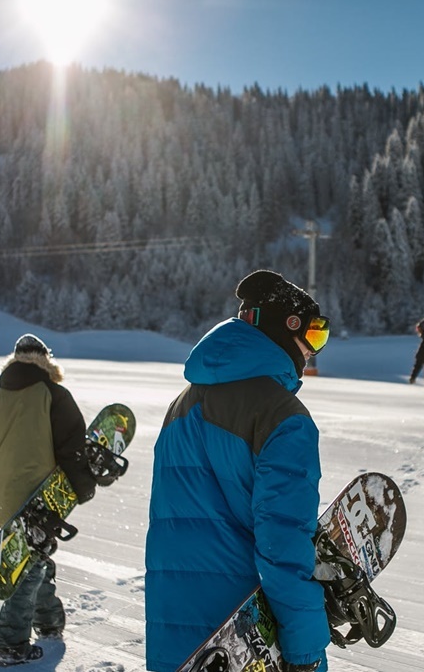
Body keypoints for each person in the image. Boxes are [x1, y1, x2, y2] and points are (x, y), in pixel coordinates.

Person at [145, 270, 331, 672]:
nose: (313, 351)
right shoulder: (284, 416)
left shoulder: (181, 405)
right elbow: (282, 541)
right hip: (244, 644)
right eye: (314, 336)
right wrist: (304, 649)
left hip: (174, 633)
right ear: (285, 328)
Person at [0, 334, 105, 667]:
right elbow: (73, 450)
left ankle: (50, 623)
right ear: (46, 361)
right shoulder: (53, 394)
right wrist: (84, 487)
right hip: (40, 498)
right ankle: (10, 643)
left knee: (34, 559)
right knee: (27, 570)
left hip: (3, 499)